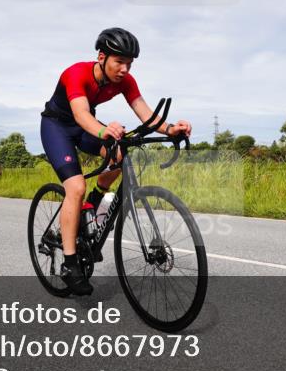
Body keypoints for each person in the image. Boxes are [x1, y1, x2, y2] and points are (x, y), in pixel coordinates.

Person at [40, 28, 192, 295]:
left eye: (129, 63)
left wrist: (170, 129)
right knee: (75, 187)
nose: (124, 69)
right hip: (59, 127)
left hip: (86, 126)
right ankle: (70, 263)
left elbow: (146, 114)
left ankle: (94, 201)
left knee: (122, 157)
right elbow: (80, 114)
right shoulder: (75, 74)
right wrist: (102, 131)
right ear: (101, 56)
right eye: (119, 62)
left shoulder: (126, 81)